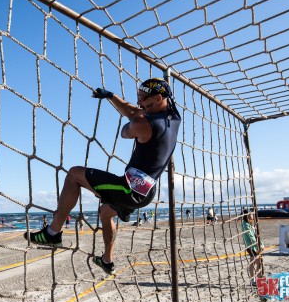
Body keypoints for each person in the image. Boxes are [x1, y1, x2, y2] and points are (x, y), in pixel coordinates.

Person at [24, 78, 181, 275]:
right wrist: (111, 97)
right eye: (139, 98)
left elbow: (127, 130)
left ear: (158, 98)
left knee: (74, 174)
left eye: (143, 99)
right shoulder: (173, 115)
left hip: (129, 190)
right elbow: (134, 112)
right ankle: (107, 260)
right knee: (106, 212)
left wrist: (136, 118)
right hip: (146, 190)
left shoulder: (144, 123)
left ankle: (52, 233)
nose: (140, 103)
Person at [241, 209, 263, 285]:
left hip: (252, 246)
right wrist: (259, 245)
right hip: (252, 246)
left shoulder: (249, 223)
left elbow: (255, 235)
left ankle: (253, 280)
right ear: (247, 215)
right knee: (258, 263)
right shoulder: (245, 224)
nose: (252, 215)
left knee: (253, 263)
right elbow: (252, 237)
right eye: (251, 214)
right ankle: (258, 280)